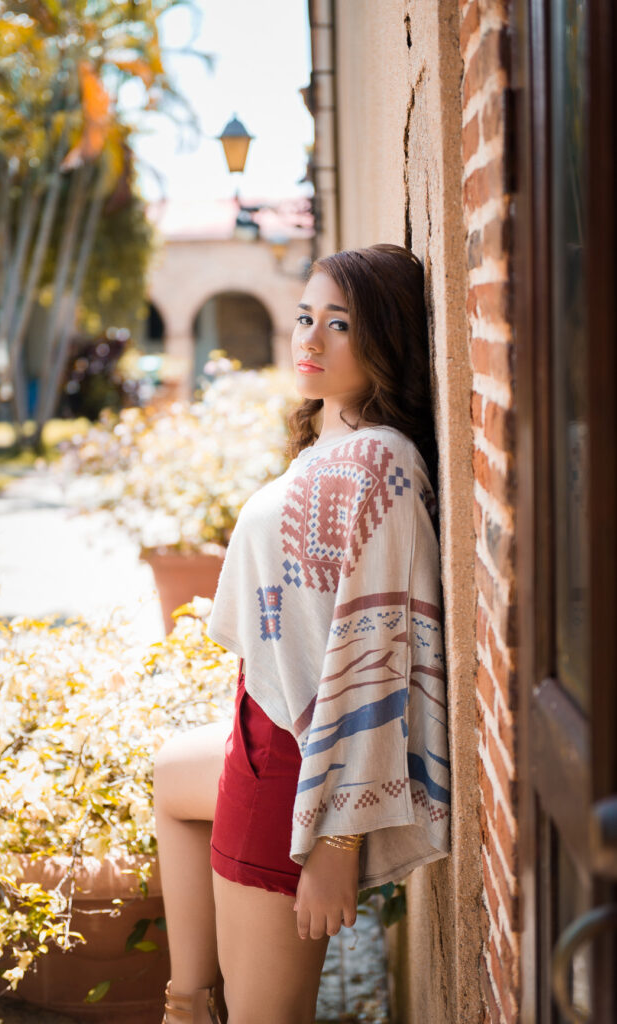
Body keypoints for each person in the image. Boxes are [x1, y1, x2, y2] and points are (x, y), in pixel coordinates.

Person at [153, 243, 450, 1024]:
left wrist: (335, 845)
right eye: (304, 317)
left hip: (295, 765)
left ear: (384, 339)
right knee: (168, 777)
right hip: (256, 732)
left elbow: (375, 659)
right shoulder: (330, 446)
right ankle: (187, 1001)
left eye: (340, 324)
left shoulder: (379, 464)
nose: (310, 340)